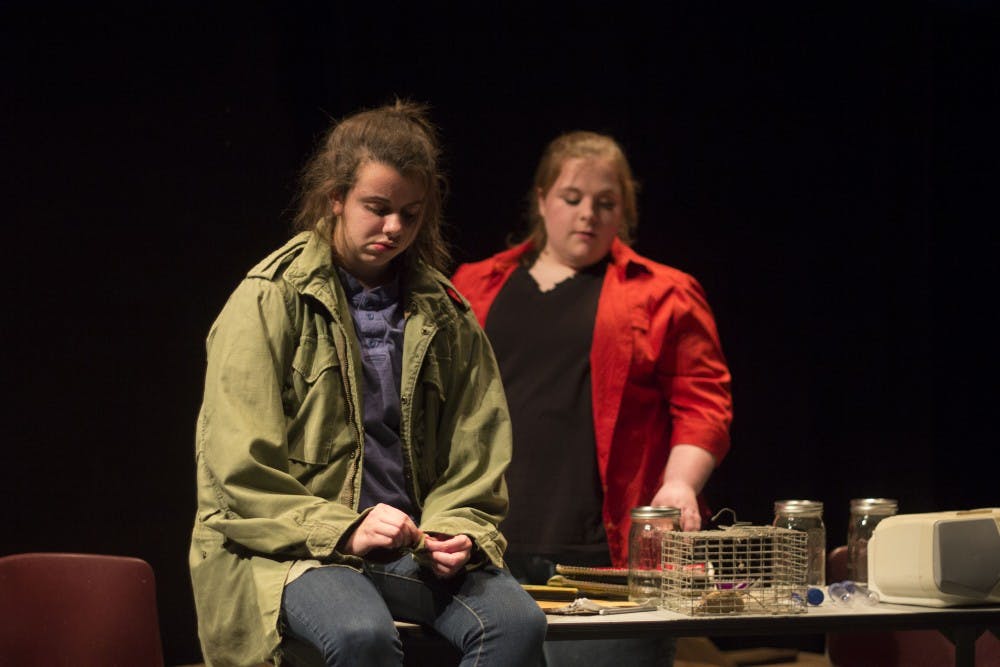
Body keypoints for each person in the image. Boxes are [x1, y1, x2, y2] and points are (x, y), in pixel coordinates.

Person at [188, 101, 547, 667]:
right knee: (361, 633)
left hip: (407, 550)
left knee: (516, 623)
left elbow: (476, 454)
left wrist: (455, 531)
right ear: (336, 198)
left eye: (411, 212)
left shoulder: (446, 314)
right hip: (287, 552)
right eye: (377, 208)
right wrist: (346, 529)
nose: (395, 228)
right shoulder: (268, 300)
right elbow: (239, 472)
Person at [452, 131, 733, 666]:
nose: (588, 215)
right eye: (572, 198)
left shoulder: (662, 292)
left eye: (606, 203)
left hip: (604, 561)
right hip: (490, 553)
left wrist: (679, 482)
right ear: (541, 200)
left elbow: (703, 404)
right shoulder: (474, 285)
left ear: (624, 211)